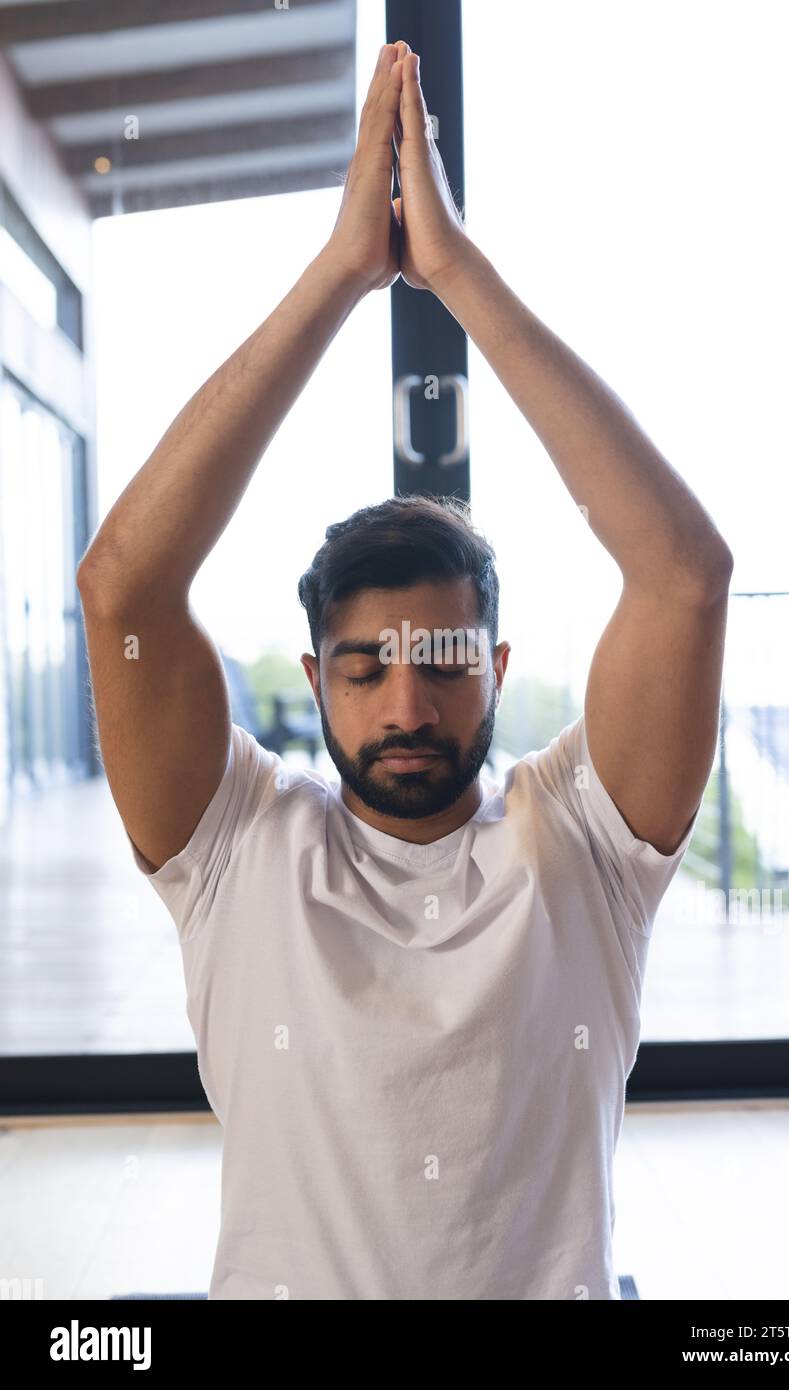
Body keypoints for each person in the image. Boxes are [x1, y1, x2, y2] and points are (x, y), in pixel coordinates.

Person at [77, 40, 732, 1300]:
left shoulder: (585, 845)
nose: (408, 701)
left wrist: (454, 272)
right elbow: (126, 589)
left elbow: (683, 579)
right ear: (317, 676)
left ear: (494, 667)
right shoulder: (238, 852)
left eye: (441, 661)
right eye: (367, 666)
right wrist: (339, 274)